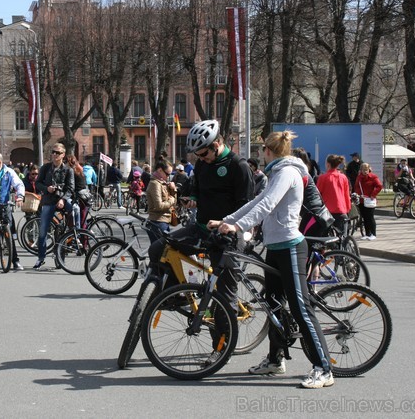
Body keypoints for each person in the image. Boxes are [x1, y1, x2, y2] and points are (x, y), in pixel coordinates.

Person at [208, 130, 334, 389]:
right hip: (276, 247)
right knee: (274, 305)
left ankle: (324, 368)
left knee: (301, 308)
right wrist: (227, 221)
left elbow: (267, 206)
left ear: (268, 151)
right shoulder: (278, 172)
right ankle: (276, 360)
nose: (259, 155)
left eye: (261, 150)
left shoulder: (287, 172)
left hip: (290, 247)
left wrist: (238, 227)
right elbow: (257, 201)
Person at [148, 119, 254, 362]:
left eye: (204, 153)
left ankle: (221, 349)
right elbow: (196, 186)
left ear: (217, 144)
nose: (201, 158)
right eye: (197, 155)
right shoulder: (203, 164)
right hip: (200, 227)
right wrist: (192, 198)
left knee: (221, 295)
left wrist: (229, 225)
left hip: (228, 234)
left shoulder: (239, 166)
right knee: (158, 248)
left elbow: (248, 206)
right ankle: (174, 294)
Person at [33, 143, 74, 270]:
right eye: (53, 152)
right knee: (43, 231)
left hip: (61, 201)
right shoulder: (45, 168)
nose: (54, 154)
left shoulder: (68, 170)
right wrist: (47, 188)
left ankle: (63, 253)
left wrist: (63, 199)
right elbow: (38, 183)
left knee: (66, 224)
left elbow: (71, 188)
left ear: (63, 155)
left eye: (57, 152)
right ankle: (41, 258)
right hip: (48, 201)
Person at [316, 154, 351, 235]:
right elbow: (346, 194)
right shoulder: (343, 177)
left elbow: (318, 194)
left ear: (328, 164)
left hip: (327, 211)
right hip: (341, 209)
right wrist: (347, 208)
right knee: (342, 235)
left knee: (325, 235)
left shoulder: (323, 177)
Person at [146, 159, 176, 241]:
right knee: (161, 251)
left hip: (163, 221)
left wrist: (173, 190)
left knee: (163, 251)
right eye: (167, 174)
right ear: (160, 170)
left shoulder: (162, 183)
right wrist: (172, 200)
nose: (168, 177)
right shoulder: (155, 184)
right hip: (158, 222)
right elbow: (159, 206)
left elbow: (173, 203)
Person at [354, 162, 382, 240]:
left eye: (366, 169)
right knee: (365, 217)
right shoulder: (359, 177)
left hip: (370, 200)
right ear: (361, 170)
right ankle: (367, 234)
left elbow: (379, 186)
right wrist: (357, 195)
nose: (365, 171)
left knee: (370, 217)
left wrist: (373, 194)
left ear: (369, 169)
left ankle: (373, 234)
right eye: (363, 169)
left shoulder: (373, 177)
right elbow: (356, 187)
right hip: (362, 200)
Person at [68, 155, 90, 229]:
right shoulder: (80, 170)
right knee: (83, 218)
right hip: (85, 196)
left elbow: (71, 186)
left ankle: (81, 236)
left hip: (80, 197)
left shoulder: (72, 171)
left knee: (79, 218)